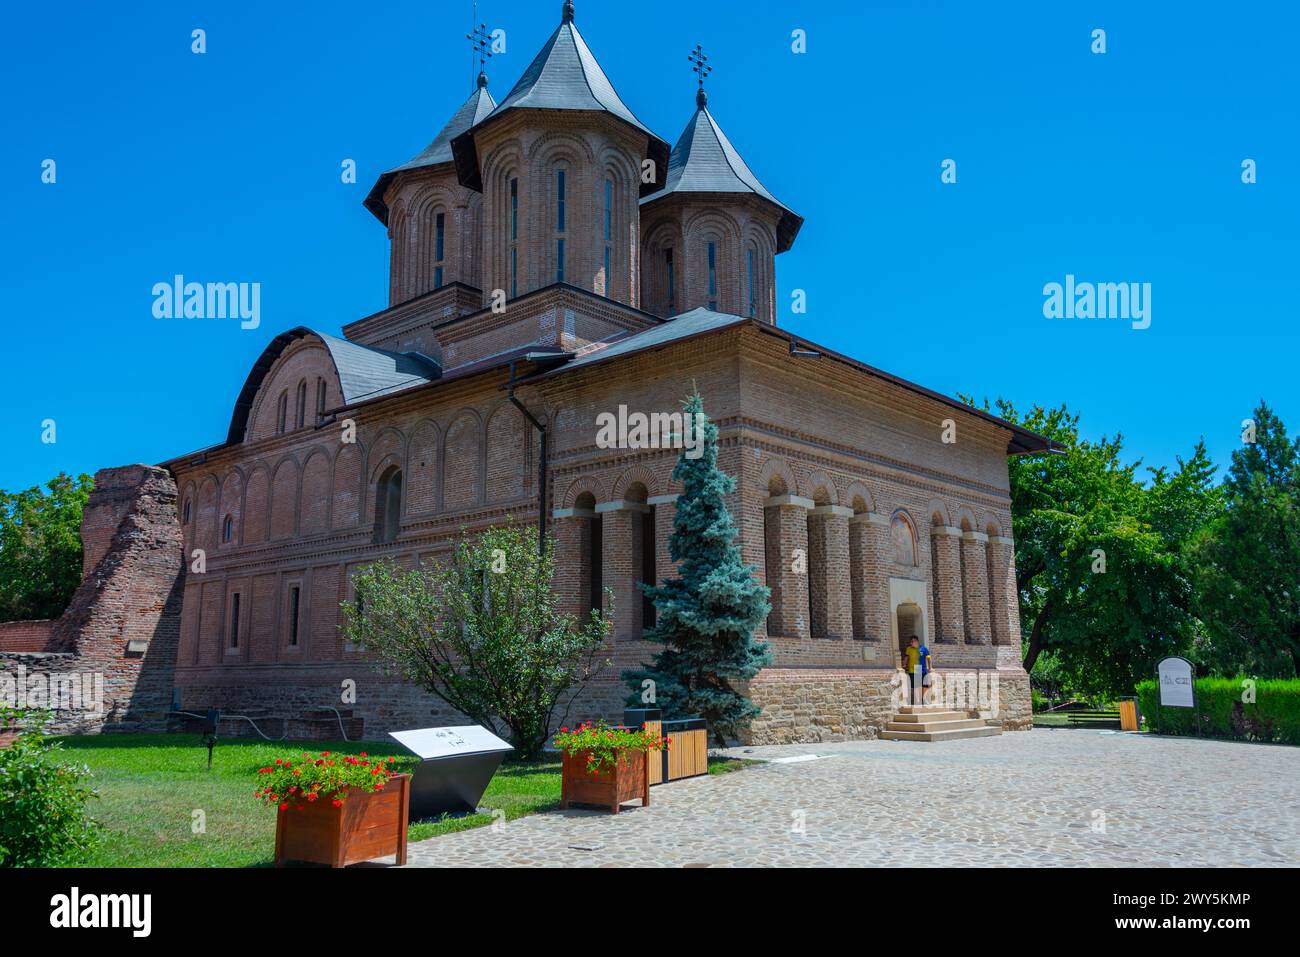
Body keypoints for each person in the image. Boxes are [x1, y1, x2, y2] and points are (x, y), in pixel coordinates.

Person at [904, 635, 932, 705]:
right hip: (914, 669)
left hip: (923, 668)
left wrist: (930, 667)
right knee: (916, 686)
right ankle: (917, 701)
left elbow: (928, 658)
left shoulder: (924, 649)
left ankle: (924, 699)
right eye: (910, 642)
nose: (911, 643)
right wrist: (904, 665)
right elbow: (906, 658)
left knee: (926, 685)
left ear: (917, 641)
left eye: (912, 641)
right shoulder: (909, 649)